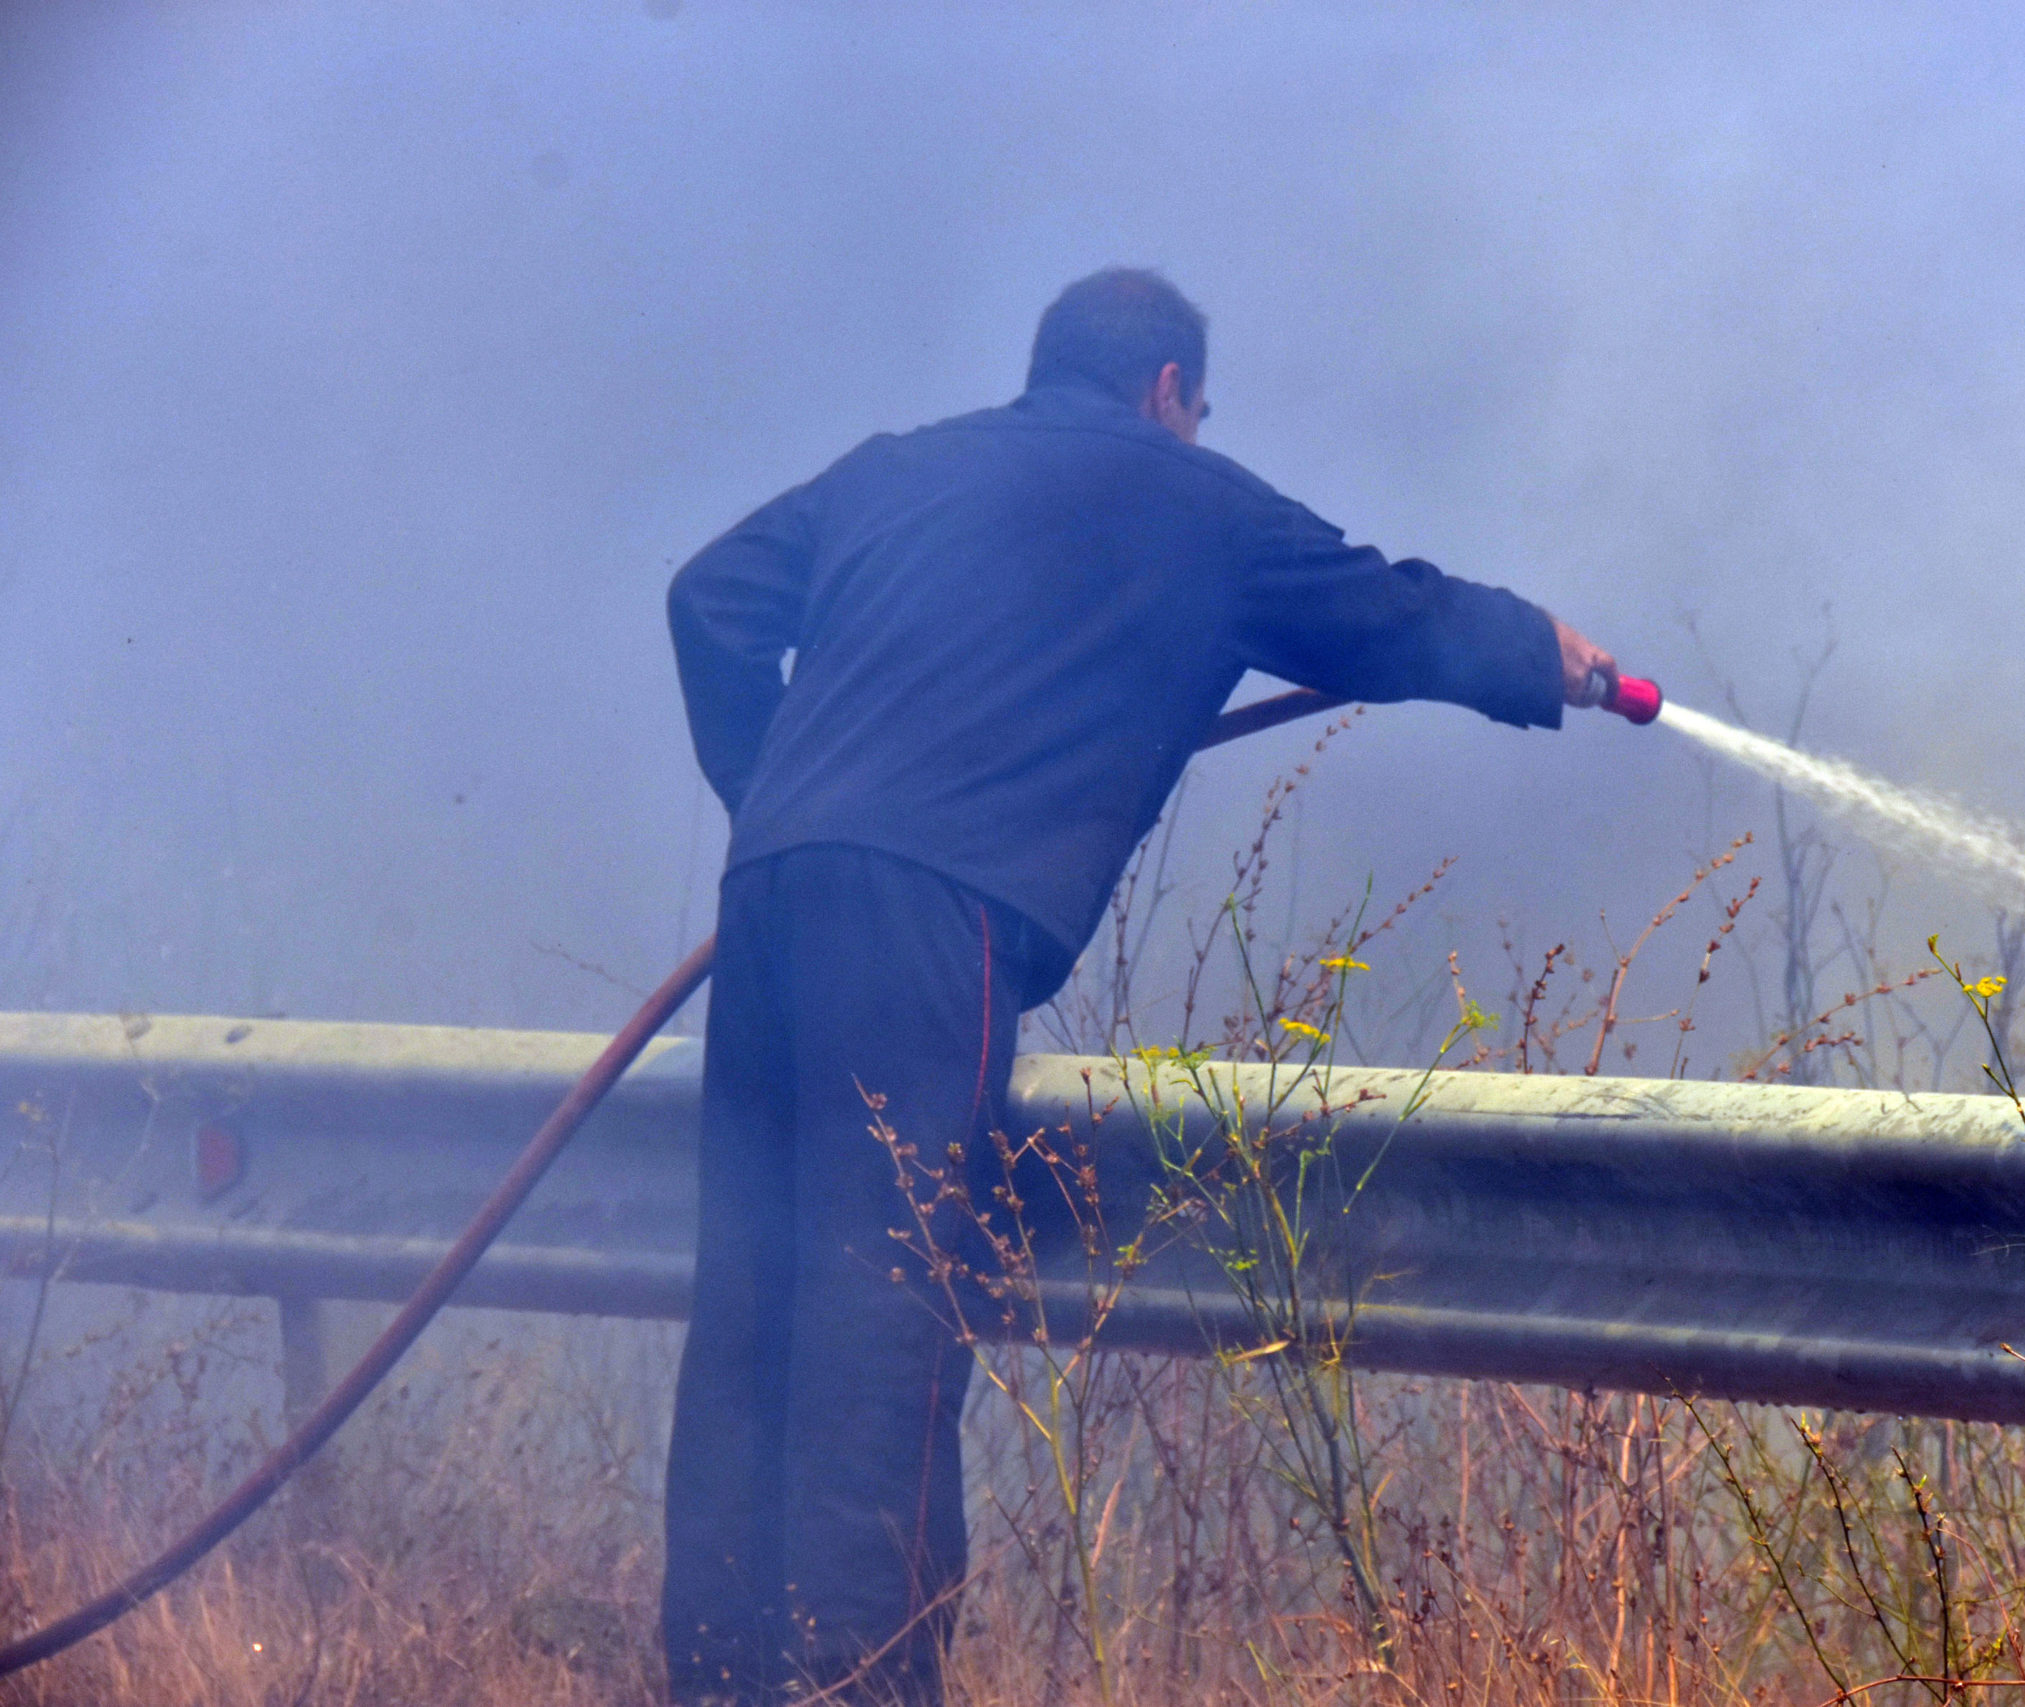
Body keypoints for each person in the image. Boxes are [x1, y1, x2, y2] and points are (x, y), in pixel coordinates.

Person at [663, 266, 1616, 1704]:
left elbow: (710, 598)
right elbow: (1384, 613)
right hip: (932, 920)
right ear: (1168, 391)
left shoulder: (895, 471)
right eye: (1197, 406)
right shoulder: (1195, 504)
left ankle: (716, 1673)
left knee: (753, 1291)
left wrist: (780, 794)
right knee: (883, 1301)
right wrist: (1540, 651)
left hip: (776, 900)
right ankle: (850, 1687)